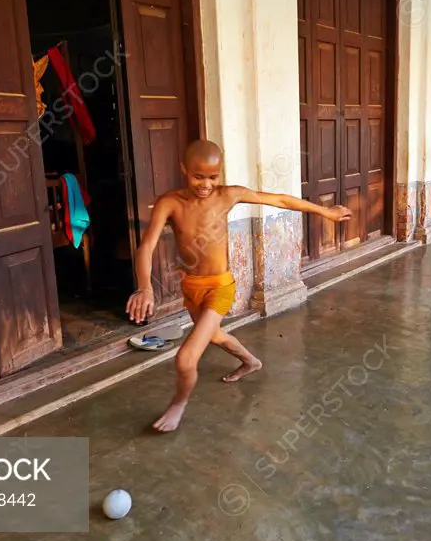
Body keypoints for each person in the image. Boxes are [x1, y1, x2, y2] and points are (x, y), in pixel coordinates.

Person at [125, 140, 351, 432]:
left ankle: (178, 405)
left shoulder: (229, 195)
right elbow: (146, 246)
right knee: (214, 335)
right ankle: (251, 361)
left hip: (221, 287)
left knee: (186, 357)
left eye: (213, 177)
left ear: (220, 174)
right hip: (191, 288)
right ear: (184, 169)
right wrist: (145, 286)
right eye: (198, 176)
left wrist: (326, 212)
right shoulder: (170, 203)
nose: (206, 184)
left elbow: (281, 200)